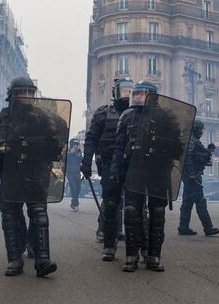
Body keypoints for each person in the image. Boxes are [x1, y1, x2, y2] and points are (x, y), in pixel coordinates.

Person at [0, 77, 61, 277]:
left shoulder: (44, 117)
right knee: (10, 217)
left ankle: (42, 260)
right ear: (14, 94)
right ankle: (14, 260)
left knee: (39, 215)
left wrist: (49, 147)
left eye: (30, 92)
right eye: (23, 92)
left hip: (35, 172)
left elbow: (56, 143)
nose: (27, 96)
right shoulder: (1, 118)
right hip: (10, 174)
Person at [110, 81, 185, 272]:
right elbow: (119, 146)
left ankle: (153, 256)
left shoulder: (166, 117)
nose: (137, 97)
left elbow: (177, 147)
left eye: (141, 94)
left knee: (157, 213)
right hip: (134, 170)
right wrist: (115, 170)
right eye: (136, 94)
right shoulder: (127, 116)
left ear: (152, 96)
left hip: (157, 170)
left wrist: (161, 146)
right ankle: (131, 255)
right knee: (130, 211)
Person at [81, 78, 133, 260]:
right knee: (111, 203)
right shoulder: (104, 113)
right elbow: (92, 138)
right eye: (124, 91)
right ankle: (107, 239)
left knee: (134, 206)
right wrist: (86, 161)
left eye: (130, 91)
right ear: (115, 93)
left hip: (132, 166)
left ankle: (128, 240)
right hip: (109, 164)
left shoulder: (137, 114)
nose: (127, 95)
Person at [178, 120, 219, 236]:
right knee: (201, 201)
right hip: (193, 176)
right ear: (195, 129)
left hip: (192, 175)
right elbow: (188, 157)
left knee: (187, 202)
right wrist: (191, 174)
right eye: (200, 129)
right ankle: (208, 227)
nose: (201, 132)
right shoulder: (191, 140)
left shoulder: (193, 139)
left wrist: (208, 151)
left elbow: (198, 155)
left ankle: (183, 227)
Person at [66, 139, 83, 211]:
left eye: (77, 144)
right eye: (74, 144)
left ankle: (73, 203)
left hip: (77, 173)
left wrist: (78, 156)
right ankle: (75, 204)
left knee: (78, 188)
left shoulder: (79, 152)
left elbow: (81, 160)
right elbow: (64, 159)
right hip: (70, 173)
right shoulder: (68, 151)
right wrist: (71, 153)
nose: (76, 146)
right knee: (73, 188)